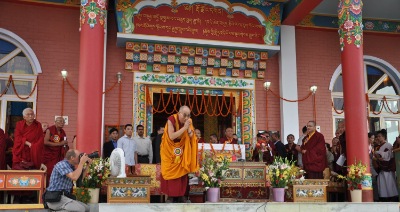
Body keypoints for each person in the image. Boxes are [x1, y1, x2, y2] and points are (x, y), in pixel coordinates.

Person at [160, 105, 198, 203]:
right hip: (169, 150)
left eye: (188, 115)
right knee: (171, 174)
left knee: (183, 172)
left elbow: (191, 136)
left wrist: (188, 128)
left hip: (182, 150)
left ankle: (181, 195)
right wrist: (184, 127)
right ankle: (171, 196)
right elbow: (172, 136)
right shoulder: (171, 119)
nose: (186, 118)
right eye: (184, 115)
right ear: (179, 113)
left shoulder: (188, 121)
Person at [373, 129, 398, 202]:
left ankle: (392, 199)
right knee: (383, 187)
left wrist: (379, 155)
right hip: (381, 169)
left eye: (380, 136)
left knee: (390, 186)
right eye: (377, 136)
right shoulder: (378, 146)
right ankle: (384, 199)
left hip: (388, 169)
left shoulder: (388, 145)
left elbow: (389, 156)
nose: (378, 138)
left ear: (384, 137)